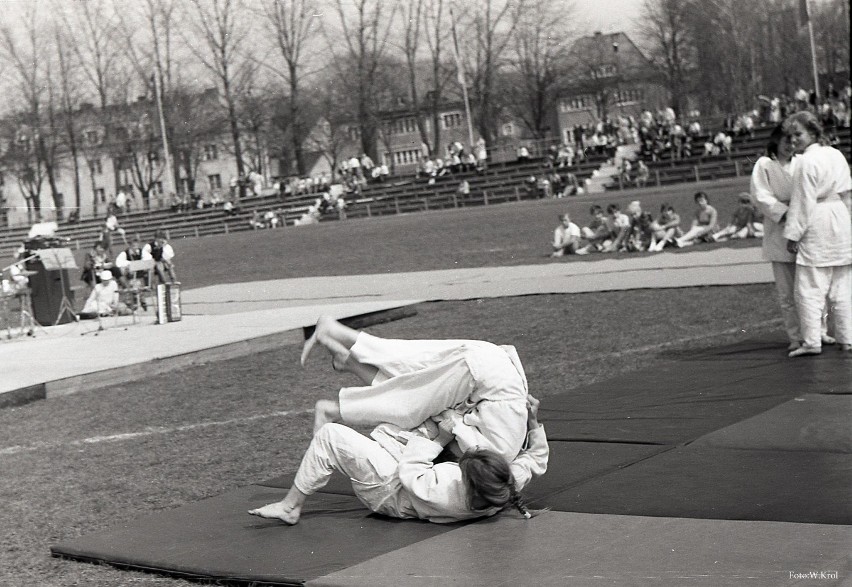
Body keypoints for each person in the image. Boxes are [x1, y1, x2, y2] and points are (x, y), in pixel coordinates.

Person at [249, 316, 546, 525]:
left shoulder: (449, 492)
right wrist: (533, 424)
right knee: (416, 394)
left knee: (336, 433)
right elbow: (535, 459)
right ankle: (346, 363)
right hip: (405, 468)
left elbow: (412, 472)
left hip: (388, 490)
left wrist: (443, 437)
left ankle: (290, 506)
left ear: (468, 481)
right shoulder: (503, 478)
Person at [782, 111, 852, 357]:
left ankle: (812, 341)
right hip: (840, 217)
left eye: (798, 134)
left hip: (818, 219)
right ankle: (847, 338)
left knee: (810, 287)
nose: (793, 140)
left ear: (813, 132)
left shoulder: (805, 162)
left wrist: (793, 235)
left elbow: (802, 203)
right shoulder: (835, 154)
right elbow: (847, 193)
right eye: (790, 136)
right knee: (842, 284)